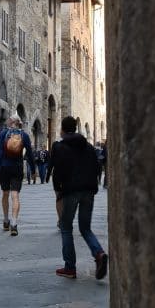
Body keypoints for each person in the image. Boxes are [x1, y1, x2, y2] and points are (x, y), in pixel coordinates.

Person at [51, 116, 108, 280]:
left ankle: (70, 267)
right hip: (88, 191)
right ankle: (99, 253)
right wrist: (94, 186)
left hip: (71, 191)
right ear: (75, 128)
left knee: (66, 227)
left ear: (62, 129)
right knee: (85, 228)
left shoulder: (61, 147)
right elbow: (97, 167)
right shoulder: (88, 147)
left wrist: (58, 191)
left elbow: (58, 171)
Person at [0, 114, 35, 235]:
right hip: (17, 168)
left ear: (11, 122)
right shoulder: (24, 135)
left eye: (8, 120)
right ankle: (14, 224)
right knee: (15, 195)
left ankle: (6, 220)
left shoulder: (3, 134)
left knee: (5, 194)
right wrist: (32, 170)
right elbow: (30, 154)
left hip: (5, 167)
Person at [46, 141, 63, 229]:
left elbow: (51, 162)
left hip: (57, 176)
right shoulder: (70, 146)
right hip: (69, 176)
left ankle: (60, 220)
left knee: (59, 198)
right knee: (67, 198)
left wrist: (47, 176)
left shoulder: (55, 147)